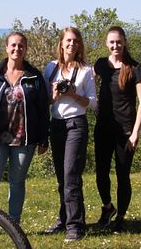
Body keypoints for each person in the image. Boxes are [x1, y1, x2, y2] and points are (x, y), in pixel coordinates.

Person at [0, 32, 50, 240]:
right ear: (6, 48)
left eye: (21, 45)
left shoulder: (34, 76)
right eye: (13, 45)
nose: (17, 49)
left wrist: (44, 138)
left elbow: (43, 109)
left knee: (17, 182)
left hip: (25, 139)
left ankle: (14, 224)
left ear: (26, 48)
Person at [42, 27, 97, 242]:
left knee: (71, 175)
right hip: (56, 125)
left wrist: (73, 93)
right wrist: (54, 95)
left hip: (76, 125)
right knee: (61, 177)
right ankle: (64, 219)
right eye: (68, 40)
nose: (71, 44)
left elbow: (92, 103)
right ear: (61, 43)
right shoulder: (51, 68)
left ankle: (75, 225)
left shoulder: (86, 71)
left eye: (75, 40)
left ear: (79, 45)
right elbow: (45, 101)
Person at [93, 26, 141, 233]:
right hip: (103, 129)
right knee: (101, 173)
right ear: (107, 44)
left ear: (124, 42)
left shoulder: (134, 68)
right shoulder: (100, 65)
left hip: (125, 132)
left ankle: (121, 218)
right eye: (112, 42)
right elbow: (87, 85)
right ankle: (108, 207)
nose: (115, 46)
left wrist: (135, 133)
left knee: (122, 175)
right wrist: (94, 104)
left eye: (119, 42)